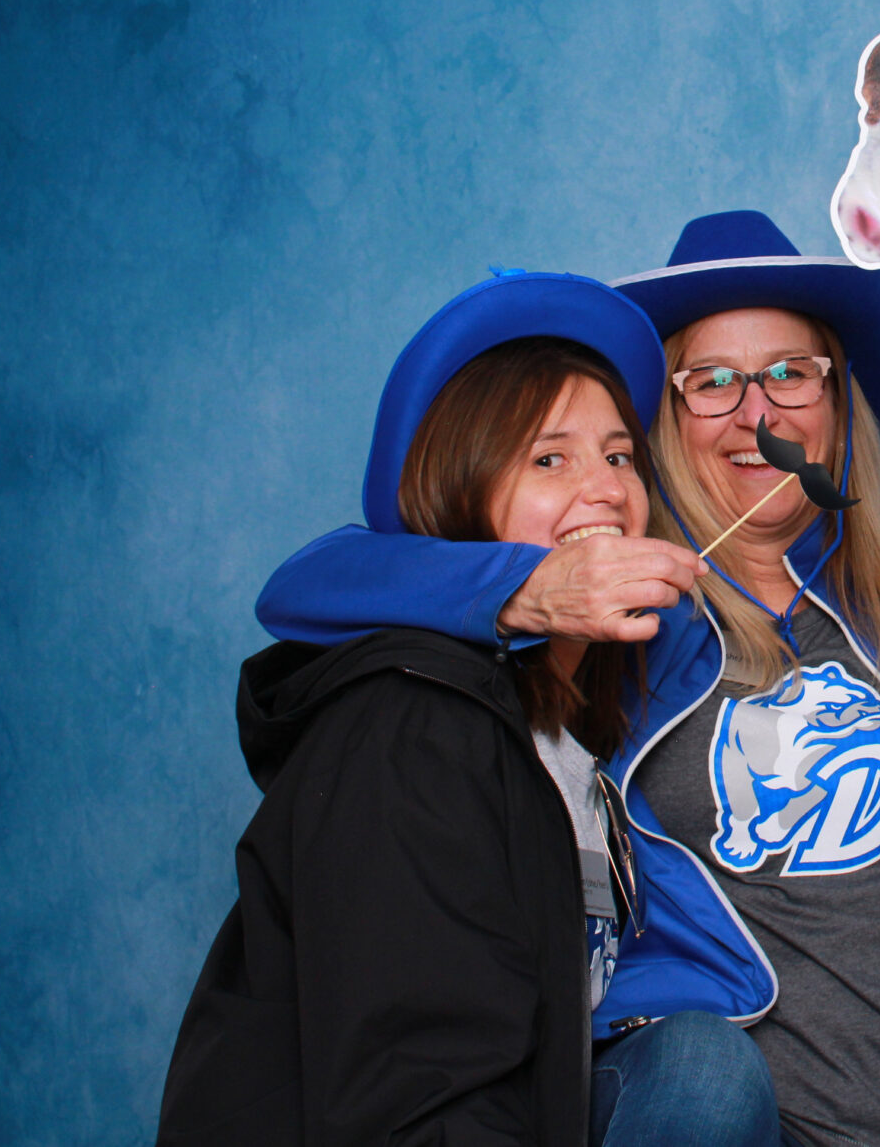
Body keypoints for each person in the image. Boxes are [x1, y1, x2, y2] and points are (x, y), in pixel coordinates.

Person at [254, 212, 880, 1147]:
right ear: (664, 423)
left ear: (838, 402)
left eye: (791, 372)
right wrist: (527, 589)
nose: (758, 415)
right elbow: (312, 585)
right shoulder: (619, 615)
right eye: (711, 382)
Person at [158, 270, 674, 1147]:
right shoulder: (420, 723)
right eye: (549, 458)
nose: (605, 487)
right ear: (460, 490)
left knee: (693, 1062)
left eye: (619, 455)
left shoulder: (564, 743)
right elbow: (420, 1094)